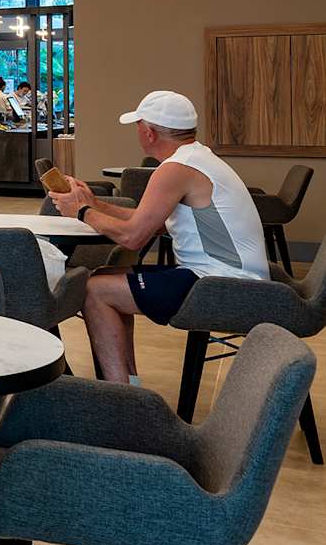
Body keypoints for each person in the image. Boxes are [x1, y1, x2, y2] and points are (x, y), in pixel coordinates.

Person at [48, 90, 268, 384]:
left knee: (94, 289)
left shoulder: (175, 169)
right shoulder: (197, 158)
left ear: (149, 132)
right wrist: (94, 203)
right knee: (105, 275)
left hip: (222, 284)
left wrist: (81, 211)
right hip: (230, 277)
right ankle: (128, 386)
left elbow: (133, 237)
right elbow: (151, 223)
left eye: (138, 126)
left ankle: (120, 395)